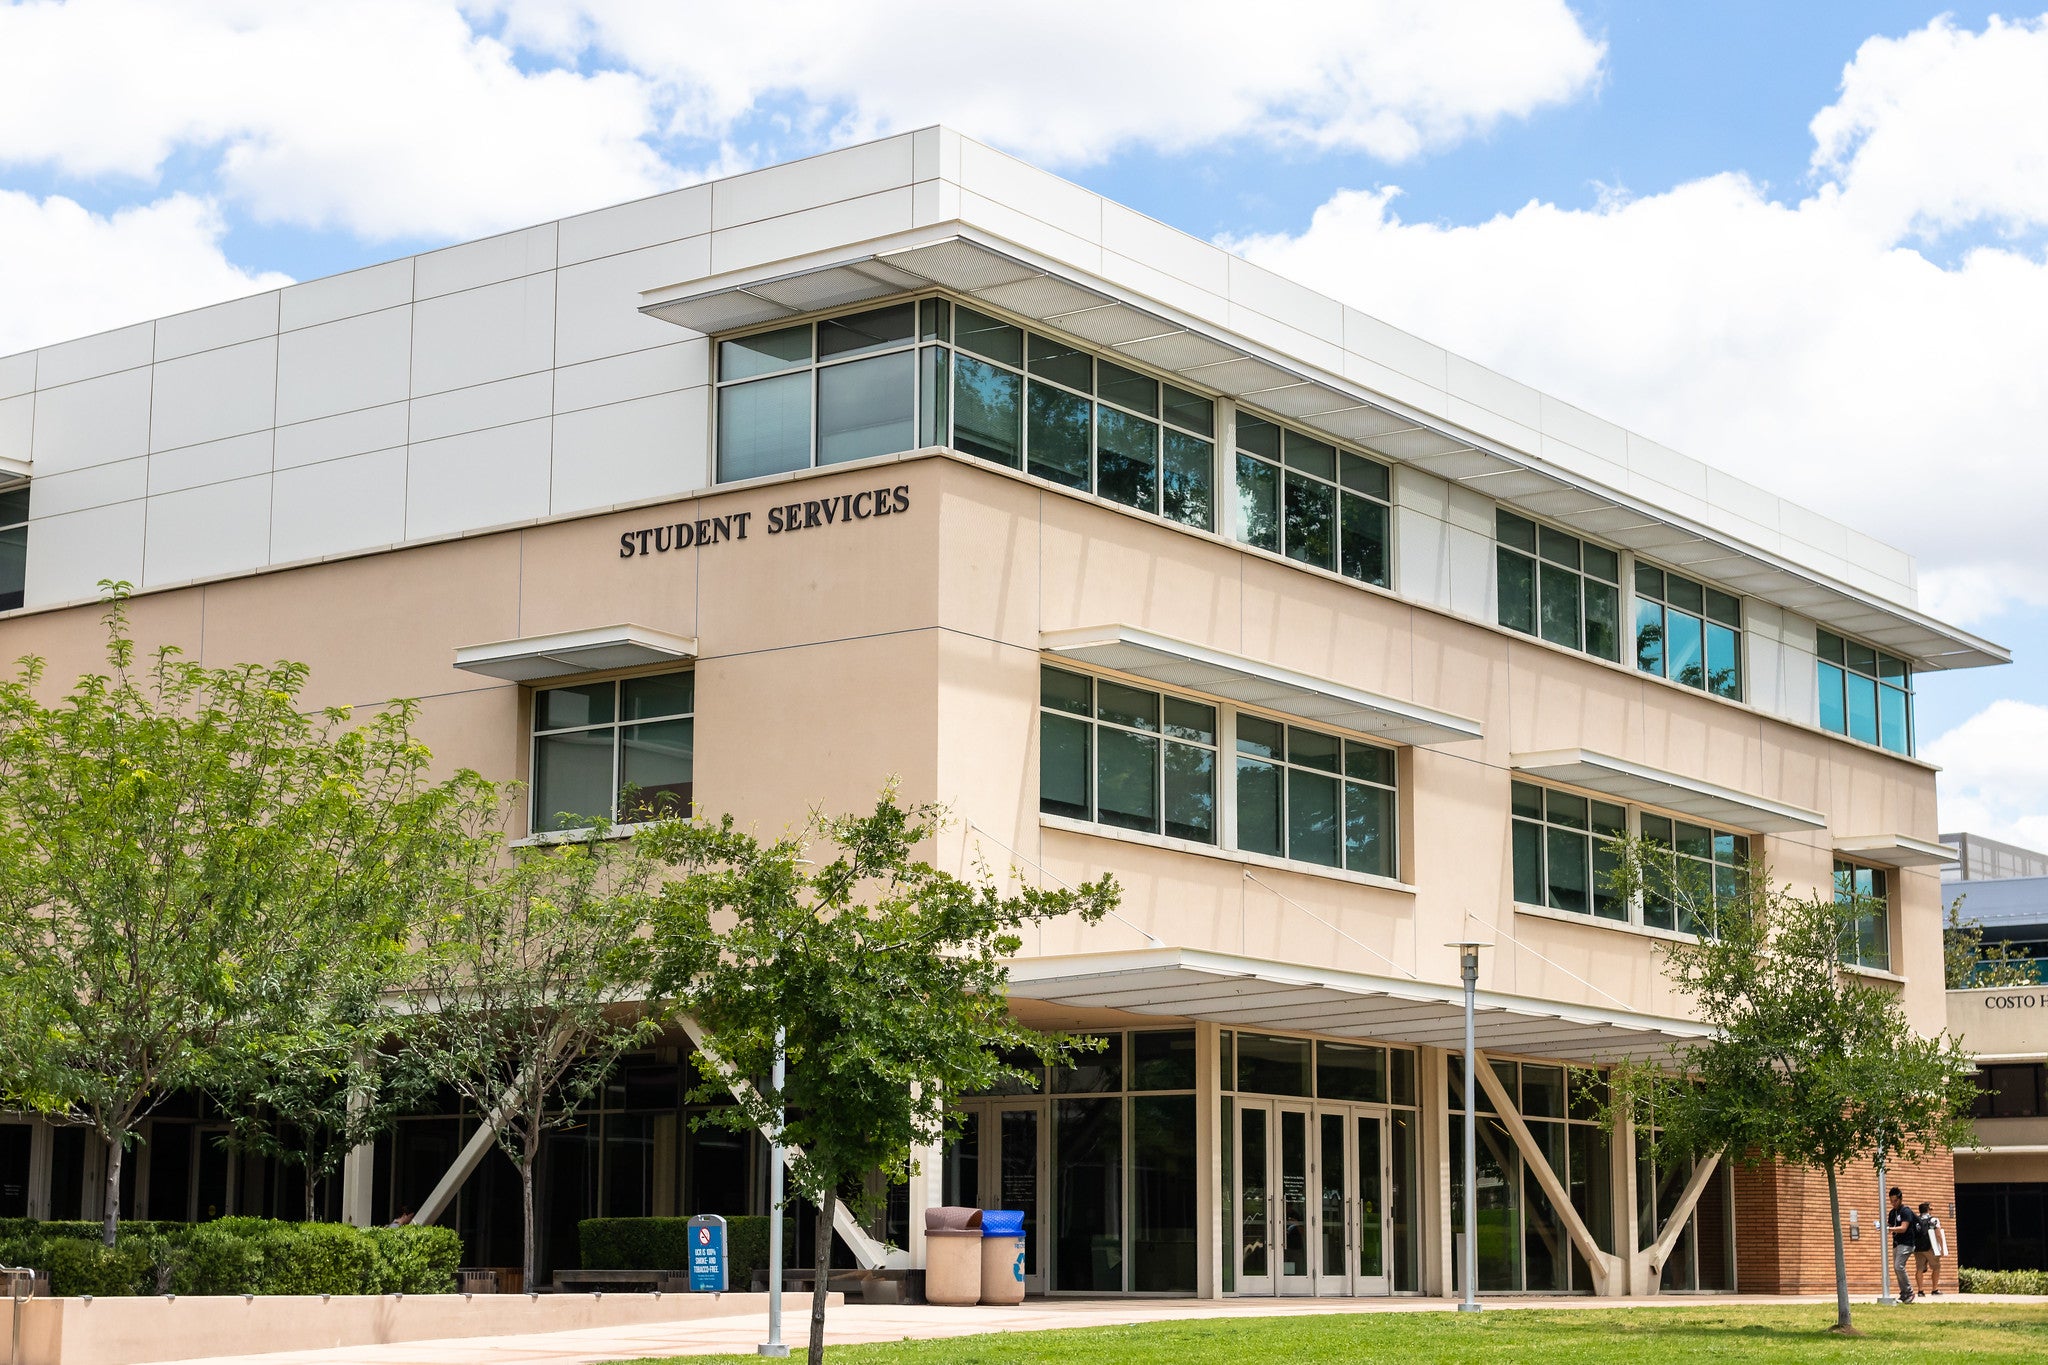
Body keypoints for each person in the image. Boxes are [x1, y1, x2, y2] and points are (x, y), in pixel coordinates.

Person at [1886, 1187, 1919, 1302]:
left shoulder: (1906, 1211)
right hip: (1896, 1243)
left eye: (1895, 1200)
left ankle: (1909, 1292)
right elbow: (1889, 1225)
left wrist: (1889, 1228)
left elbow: (1903, 1228)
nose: (1893, 1203)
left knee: (1898, 1266)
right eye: (1891, 1201)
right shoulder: (1892, 1213)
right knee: (1897, 1268)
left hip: (1906, 1243)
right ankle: (1904, 1293)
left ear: (1900, 1199)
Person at [1915, 1201, 1947, 1296]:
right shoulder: (1933, 1220)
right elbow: (1938, 1234)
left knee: (1919, 1269)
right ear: (1928, 1209)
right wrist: (1942, 1247)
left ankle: (1920, 1291)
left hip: (1918, 1248)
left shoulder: (1916, 1220)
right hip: (1930, 1248)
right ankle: (1934, 1289)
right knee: (1936, 1267)